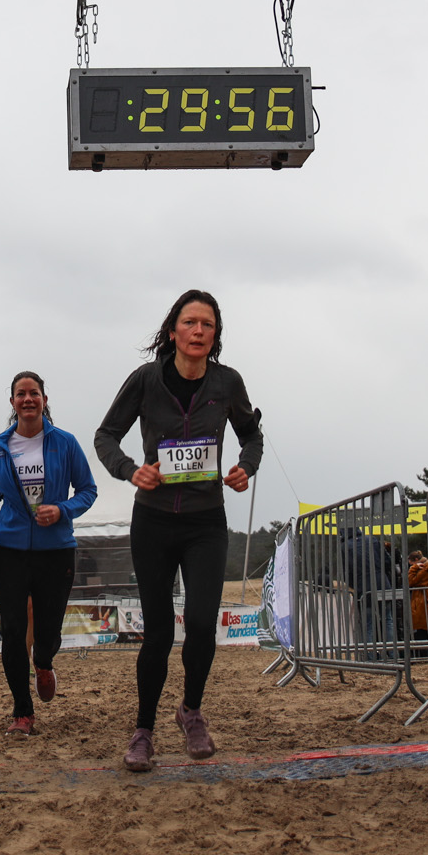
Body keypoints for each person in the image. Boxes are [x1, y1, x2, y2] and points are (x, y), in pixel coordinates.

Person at [94, 289, 263, 772]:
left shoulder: (227, 383)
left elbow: (251, 434)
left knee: (203, 624)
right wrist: (131, 470)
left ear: (215, 335)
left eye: (207, 324)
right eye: (189, 322)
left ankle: (191, 710)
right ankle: (143, 731)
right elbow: (105, 435)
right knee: (159, 631)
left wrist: (245, 468)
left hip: (206, 521)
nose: (198, 331)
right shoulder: (146, 380)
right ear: (173, 331)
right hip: (153, 520)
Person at [0, 371, 100, 736]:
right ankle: (22, 713)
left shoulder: (65, 443)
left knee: (47, 631)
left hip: (56, 551)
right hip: (8, 550)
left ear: (44, 400)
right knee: (11, 631)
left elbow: (88, 490)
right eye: (21, 394)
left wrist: (62, 510)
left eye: (34, 393)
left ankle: (43, 660)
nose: (28, 399)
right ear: (12, 402)